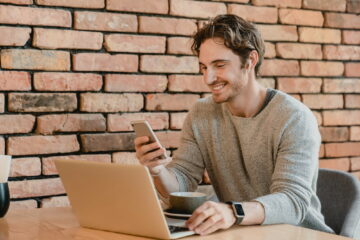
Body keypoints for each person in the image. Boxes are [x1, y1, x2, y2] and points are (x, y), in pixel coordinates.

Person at [134, 14, 334, 236]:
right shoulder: (201, 113)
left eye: (219, 65)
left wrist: (233, 211)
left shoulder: (294, 118)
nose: (208, 79)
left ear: (250, 61)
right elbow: (181, 186)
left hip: (298, 234)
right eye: (203, 67)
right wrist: (157, 170)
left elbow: (292, 203)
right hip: (240, 233)